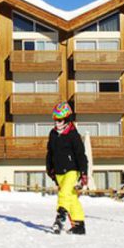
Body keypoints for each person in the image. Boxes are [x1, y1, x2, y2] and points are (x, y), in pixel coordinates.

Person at [46, 101, 88, 235]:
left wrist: (83, 173)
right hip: (58, 172)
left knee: (64, 193)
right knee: (72, 197)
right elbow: (50, 153)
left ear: (67, 119)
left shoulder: (73, 135)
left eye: (60, 120)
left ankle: (61, 217)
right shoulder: (53, 134)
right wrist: (50, 170)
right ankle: (79, 225)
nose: (57, 123)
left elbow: (81, 155)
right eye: (55, 120)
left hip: (72, 170)